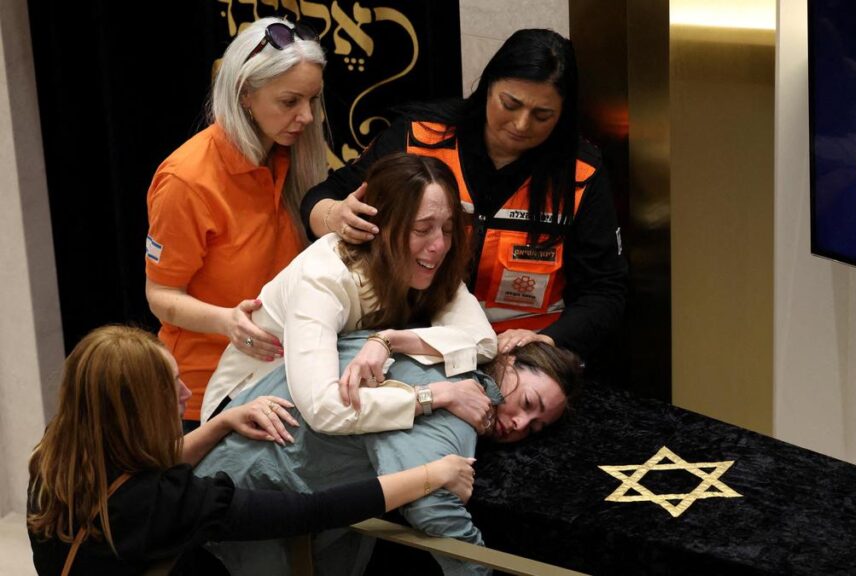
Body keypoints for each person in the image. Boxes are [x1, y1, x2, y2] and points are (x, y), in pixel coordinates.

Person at [26, 325, 476, 576]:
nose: (186, 394)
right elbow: (306, 511)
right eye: (170, 389)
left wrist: (221, 422)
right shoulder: (170, 503)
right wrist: (431, 475)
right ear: (135, 411)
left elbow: (135, 478)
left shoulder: (56, 452)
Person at [300, 28, 628, 363]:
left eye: (543, 115)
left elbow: (605, 291)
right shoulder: (419, 136)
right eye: (510, 104)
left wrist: (547, 340)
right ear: (488, 87)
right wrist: (333, 215)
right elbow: (323, 195)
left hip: (522, 354)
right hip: (409, 340)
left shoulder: (581, 171)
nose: (521, 124)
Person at [195, 330, 583, 576]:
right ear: (509, 359)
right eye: (528, 402)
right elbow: (432, 509)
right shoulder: (462, 409)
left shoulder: (448, 339)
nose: (520, 424)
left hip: (221, 473)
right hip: (237, 509)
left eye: (536, 427)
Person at [200, 153, 498, 436]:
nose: (439, 246)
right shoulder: (324, 275)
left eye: (447, 229)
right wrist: (435, 396)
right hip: (242, 412)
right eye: (422, 229)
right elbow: (323, 408)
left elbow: (483, 342)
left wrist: (389, 340)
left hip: (311, 409)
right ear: (378, 227)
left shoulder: (431, 265)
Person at [145, 17, 328, 429]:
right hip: (202, 396)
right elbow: (160, 294)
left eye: (313, 100)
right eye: (290, 102)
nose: (308, 116)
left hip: (281, 380)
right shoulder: (187, 180)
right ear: (245, 93)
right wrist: (227, 321)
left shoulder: (290, 158)